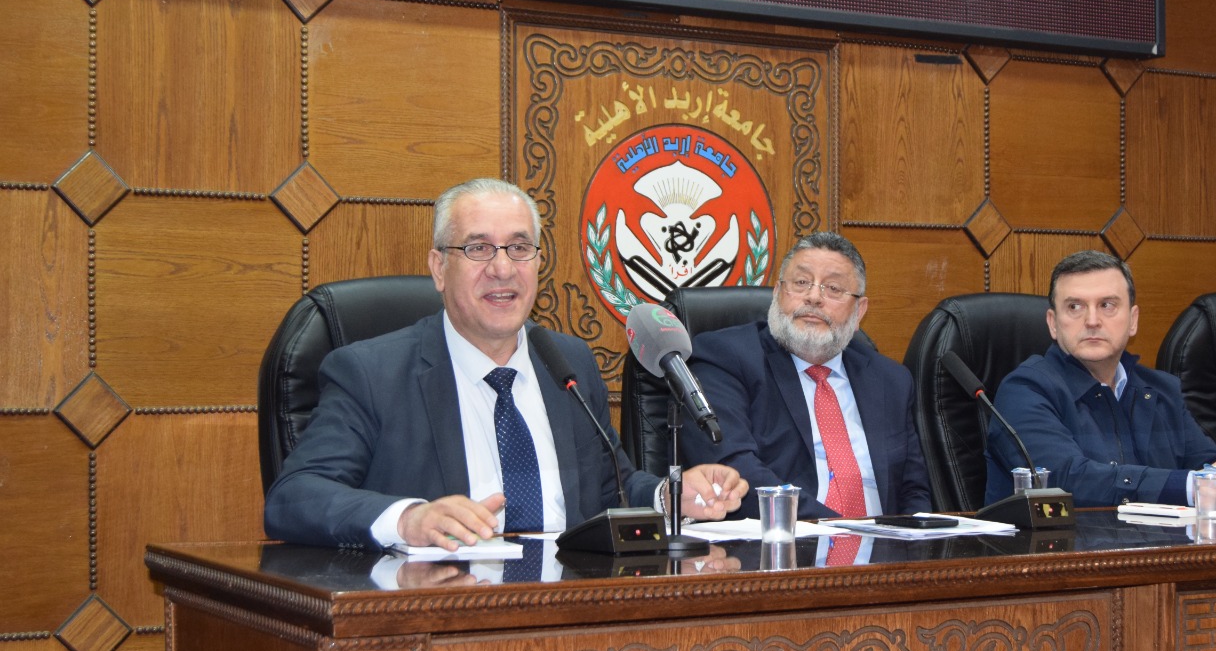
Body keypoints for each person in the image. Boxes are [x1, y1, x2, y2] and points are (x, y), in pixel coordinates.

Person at [263, 177, 746, 550]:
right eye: (478, 248)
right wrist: (408, 519)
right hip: (441, 611)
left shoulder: (567, 362)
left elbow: (612, 487)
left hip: (572, 607)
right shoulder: (370, 373)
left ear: (537, 263)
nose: (502, 268)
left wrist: (668, 497)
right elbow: (294, 497)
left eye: (519, 248)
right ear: (439, 268)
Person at [984, 250, 1216, 509]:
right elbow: (1064, 480)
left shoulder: (1161, 390)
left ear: (1133, 320)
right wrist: (1197, 487)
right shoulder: (1024, 391)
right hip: (1060, 554)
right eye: (1074, 307)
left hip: (1162, 552)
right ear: (1053, 323)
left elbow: (1204, 461)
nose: (1092, 320)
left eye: (1107, 305)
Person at [681, 232, 932, 521]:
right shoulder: (725, 356)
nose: (813, 297)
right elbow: (733, 471)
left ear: (859, 310)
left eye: (833, 288)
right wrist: (837, 530)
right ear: (777, 293)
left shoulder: (891, 380)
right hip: (787, 539)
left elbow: (914, 490)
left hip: (885, 543)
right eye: (801, 283)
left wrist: (914, 540)